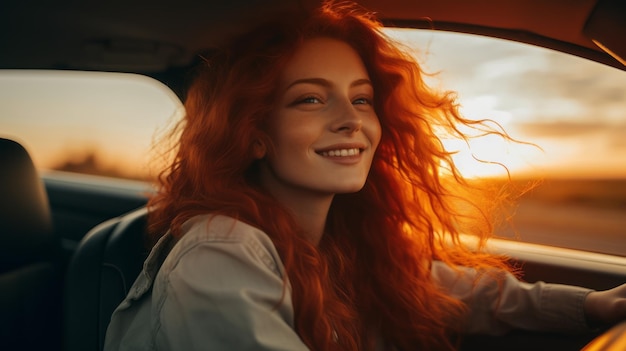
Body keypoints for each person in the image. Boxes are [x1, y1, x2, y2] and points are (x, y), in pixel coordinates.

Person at [104, 1, 626, 350]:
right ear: (255, 132)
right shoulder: (219, 250)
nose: (351, 119)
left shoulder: (347, 240)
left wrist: (594, 306)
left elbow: (467, 295)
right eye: (310, 98)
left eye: (361, 99)